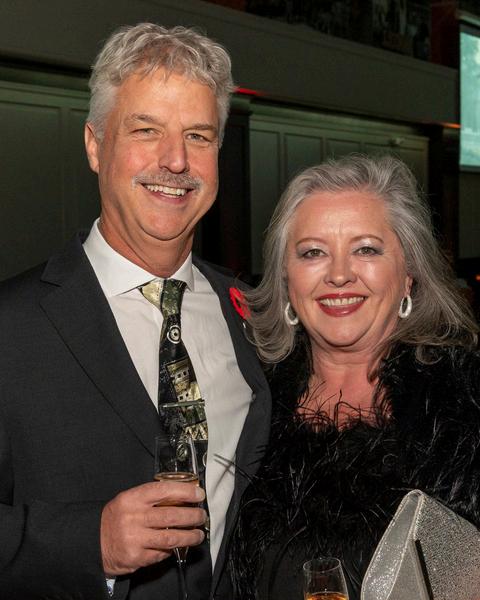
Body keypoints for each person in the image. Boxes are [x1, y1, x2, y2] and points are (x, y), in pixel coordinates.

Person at [0, 23, 270, 600]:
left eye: (198, 136)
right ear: (95, 145)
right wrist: (89, 542)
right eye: (146, 130)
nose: (175, 160)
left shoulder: (250, 316)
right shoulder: (10, 328)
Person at [229, 154, 480, 600]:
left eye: (366, 249)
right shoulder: (244, 401)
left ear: (408, 274)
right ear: (286, 278)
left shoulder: (467, 407)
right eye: (313, 252)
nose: (340, 274)